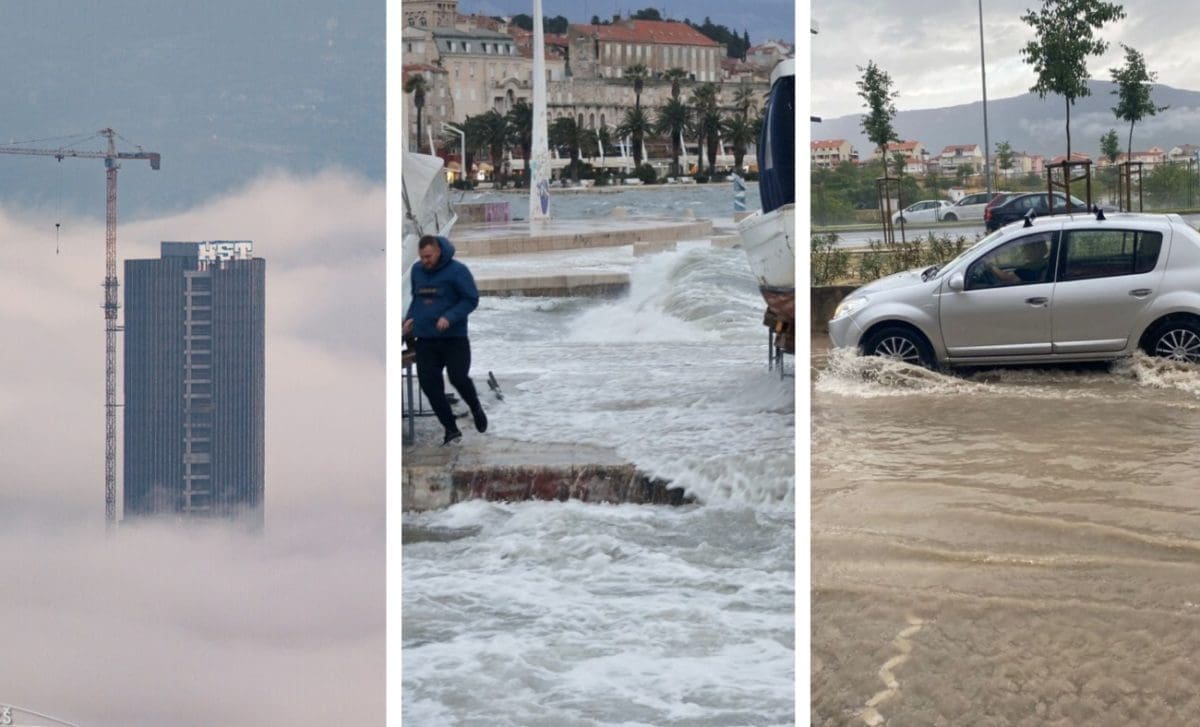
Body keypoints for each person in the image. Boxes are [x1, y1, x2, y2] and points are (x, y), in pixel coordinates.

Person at [403, 235, 488, 445]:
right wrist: (409, 319)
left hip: (453, 339)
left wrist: (449, 317)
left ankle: (475, 408)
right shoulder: (417, 271)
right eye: (422, 257)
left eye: (429, 257)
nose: (425, 261)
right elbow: (417, 299)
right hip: (425, 339)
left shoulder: (457, 271)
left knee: (458, 377)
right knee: (430, 386)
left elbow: (471, 299)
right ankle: (450, 429)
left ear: (439, 251)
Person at [986, 239, 1050, 285]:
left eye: (1025, 248)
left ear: (1034, 250)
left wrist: (990, 265)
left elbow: (1005, 277)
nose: (1023, 251)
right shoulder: (1041, 263)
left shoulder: (1029, 270)